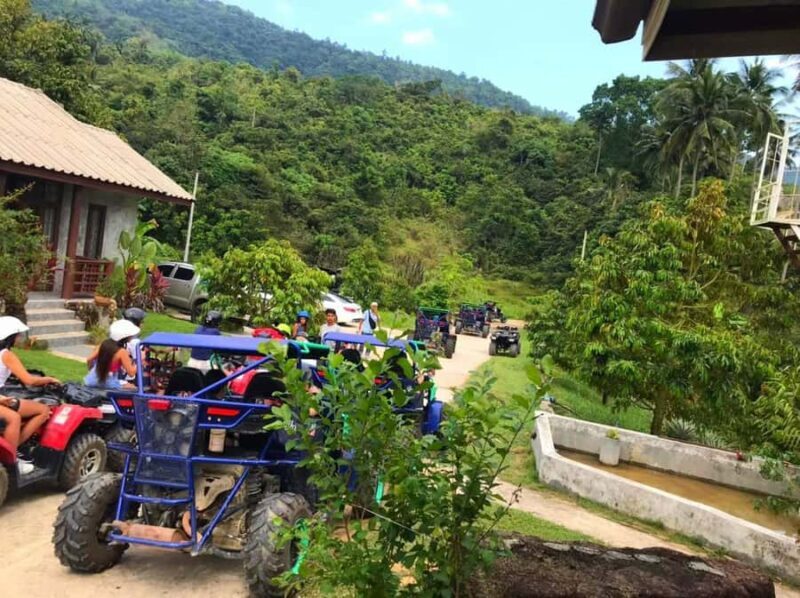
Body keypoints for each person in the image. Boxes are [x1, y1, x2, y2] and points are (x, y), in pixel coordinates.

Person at [0, 316, 59, 474]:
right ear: (10, 337)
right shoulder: (6, 355)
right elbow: (29, 380)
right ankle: (12, 456)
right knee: (42, 411)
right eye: (18, 335)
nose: (19, 338)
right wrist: (48, 379)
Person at [84, 319, 139, 389]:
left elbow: (89, 359)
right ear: (125, 337)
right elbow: (131, 373)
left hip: (91, 380)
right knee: (133, 388)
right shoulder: (122, 352)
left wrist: (91, 370)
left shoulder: (103, 344)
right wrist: (139, 361)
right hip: (108, 384)